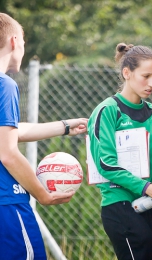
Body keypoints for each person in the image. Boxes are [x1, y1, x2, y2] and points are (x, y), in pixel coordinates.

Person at [0, 13, 88, 260]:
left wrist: (65, 126)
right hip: (7, 205)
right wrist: (42, 194)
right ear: (15, 41)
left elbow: (11, 132)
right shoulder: (4, 85)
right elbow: (7, 153)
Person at [87, 42, 152, 260]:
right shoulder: (107, 110)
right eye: (146, 76)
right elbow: (106, 164)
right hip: (119, 204)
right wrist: (147, 187)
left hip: (148, 203)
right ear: (127, 73)